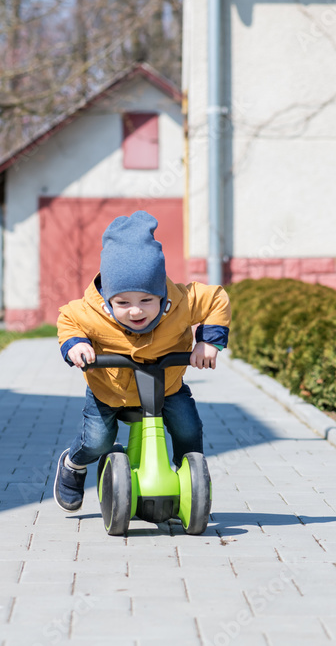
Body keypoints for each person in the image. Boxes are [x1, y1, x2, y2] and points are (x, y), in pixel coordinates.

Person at [54, 210, 231, 512]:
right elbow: (68, 320)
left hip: (166, 386)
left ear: (161, 294)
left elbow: (216, 299)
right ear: (108, 299)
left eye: (146, 300)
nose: (135, 311)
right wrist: (76, 344)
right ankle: (73, 464)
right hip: (109, 390)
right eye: (123, 303)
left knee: (188, 427)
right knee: (98, 440)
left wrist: (207, 342)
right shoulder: (90, 310)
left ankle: (189, 475)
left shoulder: (182, 302)